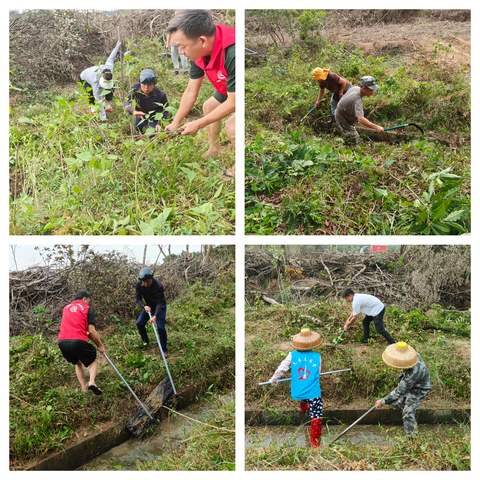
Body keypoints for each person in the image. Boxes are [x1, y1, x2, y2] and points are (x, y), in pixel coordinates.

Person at [164, 9, 235, 178]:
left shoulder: (232, 51)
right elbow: (190, 91)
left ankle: (240, 168)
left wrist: (198, 124)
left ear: (202, 40)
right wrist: (176, 122)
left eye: (182, 46)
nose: (180, 52)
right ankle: (214, 149)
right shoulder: (198, 54)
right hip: (228, 88)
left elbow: (234, 102)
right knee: (209, 105)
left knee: (232, 126)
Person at [269, 328, 324, 449]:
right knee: (317, 416)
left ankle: (303, 406)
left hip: (297, 392)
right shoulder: (317, 356)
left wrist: (273, 379)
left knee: (303, 394)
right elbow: (318, 373)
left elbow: (281, 368)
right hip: (313, 393)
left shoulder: (291, 355)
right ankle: (315, 444)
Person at [375, 342, 431, 437]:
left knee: (407, 412)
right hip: (412, 383)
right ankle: (400, 404)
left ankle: (412, 437)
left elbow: (400, 391)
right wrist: (402, 381)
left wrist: (383, 401)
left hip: (420, 388)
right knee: (401, 402)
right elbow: (403, 370)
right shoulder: (411, 357)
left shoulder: (414, 372)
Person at [57, 290, 105, 395]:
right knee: (93, 361)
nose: (88, 303)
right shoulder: (87, 309)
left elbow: (72, 323)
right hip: (77, 341)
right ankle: (92, 382)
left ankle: (83, 388)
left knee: (77, 363)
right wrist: (100, 346)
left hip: (62, 342)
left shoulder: (66, 308)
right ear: (84, 298)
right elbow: (92, 331)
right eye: (88, 300)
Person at [335, 76, 384, 144]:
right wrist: (376, 127)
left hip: (343, 114)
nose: (372, 92)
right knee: (357, 143)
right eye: (371, 90)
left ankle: (346, 142)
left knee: (349, 138)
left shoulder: (355, 88)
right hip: (343, 119)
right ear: (364, 88)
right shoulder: (357, 100)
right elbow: (360, 119)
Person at [79, 41, 121, 120]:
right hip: (85, 77)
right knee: (90, 92)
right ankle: (92, 106)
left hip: (94, 74)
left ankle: (106, 103)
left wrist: (117, 46)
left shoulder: (109, 68)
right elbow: (98, 99)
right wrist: (103, 117)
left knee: (112, 87)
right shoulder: (94, 82)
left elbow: (111, 57)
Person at [135, 267, 168, 357]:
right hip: (148, 307)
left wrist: (155, 316)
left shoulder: (158, 286)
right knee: (139, 323)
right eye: (143, 282)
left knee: (160, 327)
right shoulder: (138, 284)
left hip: (160, 307)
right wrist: (144, 306)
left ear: (152, 279)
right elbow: (138, 298)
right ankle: (146, 342)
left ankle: (164, 350)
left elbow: (160, 302)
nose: (145, 284)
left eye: (147, 282)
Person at [166, 10, 189, 76]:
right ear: (175, 12)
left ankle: (185, 70)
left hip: (181, 43)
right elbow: (169, 33)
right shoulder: (172, 22)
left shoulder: (184, 21)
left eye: (179, 10)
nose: (177, 12)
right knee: (174, 56)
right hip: (173, 43)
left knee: (183, 56)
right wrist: (167, 43)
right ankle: (176, 69)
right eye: (176, 10)